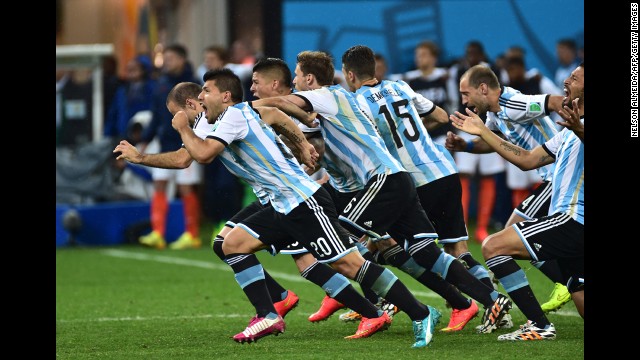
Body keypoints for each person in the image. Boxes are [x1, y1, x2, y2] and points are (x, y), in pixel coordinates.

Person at [115, 69, 441, 348]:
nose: (202, 96)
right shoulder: (211, 124)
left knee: (348, 264)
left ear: (225, 96)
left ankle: (420, 313)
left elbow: (202, 155)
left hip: (303, 201)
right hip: (280, 204)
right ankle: (269, 314)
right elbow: (186, 157)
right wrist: (142, 157)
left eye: (207, 90)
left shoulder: (233, 117)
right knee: (231, 245)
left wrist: (182, 128)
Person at [252, 50, 513, 335]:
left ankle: (383, 304)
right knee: (425, 252)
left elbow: (282, 104)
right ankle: (489, 298)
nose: (295, 81)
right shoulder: (393, 87)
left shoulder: (328, 96)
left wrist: (246, 109)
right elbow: (438, 115)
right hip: (422, 172)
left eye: (298, 76)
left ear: (315, 78)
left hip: (386, 179)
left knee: (344, 240)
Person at [342, 44, 514, 332]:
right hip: (443, 167)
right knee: (456, 246)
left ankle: (475, 301)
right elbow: (440, 116)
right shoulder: (400, 87)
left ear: (349, 75)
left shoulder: (356, 103)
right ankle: (494, 308)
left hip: (414, 180)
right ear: (373, 68)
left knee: (397, 248)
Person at [448, 63, 584, 341]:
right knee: (577, 287)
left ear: (483, 88)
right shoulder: (564, 132)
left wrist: (578, 125)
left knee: (496, 245)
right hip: (562, 204)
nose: (565, 80)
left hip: (569, 211)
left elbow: (551, 102)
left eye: (574, 77)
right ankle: (562, 283)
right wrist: (471, 143)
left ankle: (536, 322)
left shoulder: (515, 103)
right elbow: (525, 159)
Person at [137, 44, 202, 250]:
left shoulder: (194, 83)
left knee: (185, 187)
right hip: (164, 142)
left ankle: (192, 234)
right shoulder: (161, 84)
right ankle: (158, 233)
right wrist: (147, 138)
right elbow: (157, 114)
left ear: (183, 59)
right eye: (165, 58)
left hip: (188, 141)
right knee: (160, 184)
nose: (167, 62)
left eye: (171, 58)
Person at [447, 41, 506, 243]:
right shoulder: (457, 71)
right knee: (463, 177)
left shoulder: (495, 71)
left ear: (482, 54)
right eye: (468, 53)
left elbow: (502, 95)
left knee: (488, 178)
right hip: (465, 126)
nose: (470, 57)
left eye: (474, 53)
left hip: (492, 127)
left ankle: (482, 227)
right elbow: (453, 100)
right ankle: (461, 226)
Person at [403, 41, 455, 145]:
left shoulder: (445, 77)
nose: (419, 58)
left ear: (433, 58)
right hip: (420, 134)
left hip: (443, 132)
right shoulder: (409, 80)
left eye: (423, 55)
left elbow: (454, 102)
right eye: (417, 55)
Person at [104, 55, 157, 140]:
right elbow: (113, 115)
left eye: (134, 68)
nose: (130, 71)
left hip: (146, 137)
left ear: (143, 70)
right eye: (128, 69)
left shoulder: (153, 89)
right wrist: (107, 135)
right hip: (123, 136)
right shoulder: (122, 91)